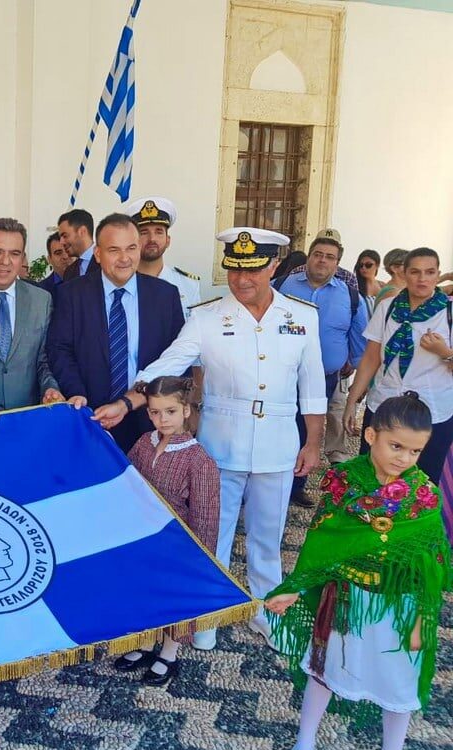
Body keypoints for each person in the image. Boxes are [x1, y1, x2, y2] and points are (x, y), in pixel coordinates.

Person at [104, 227, 327, 650]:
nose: (242, 280)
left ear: (274, 266)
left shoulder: (302, 316)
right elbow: (169, 363)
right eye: (235, 270)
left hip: (278, 445)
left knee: (267, 538)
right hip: (221, 447)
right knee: (213, 535)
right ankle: (207, 614)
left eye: (254, 270)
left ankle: (266, 613)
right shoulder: (206, 317)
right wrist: (128, 402)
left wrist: (313, 441)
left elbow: (312, 386)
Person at [266, 393, 452, 750]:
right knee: (323, 670)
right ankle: (304, 743)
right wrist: (296, 588)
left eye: (415, 452)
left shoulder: (424, 497)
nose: (404, 458)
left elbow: (430, 567)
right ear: (370, 436)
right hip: (346, 599)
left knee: (399, 680)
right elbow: (323, 542)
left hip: (400, 606)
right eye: (396, 446)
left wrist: (421, 621)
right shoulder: (343, 482)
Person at [46, 213, 185, 454]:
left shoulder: (165, 296)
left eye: (131, 248)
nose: (124, 258)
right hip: (91, 419)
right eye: (114, 250)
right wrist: (77, 395)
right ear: (98, 254)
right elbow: (60, 350)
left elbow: (177, 358)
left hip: (151, 421)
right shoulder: (72, 294)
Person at [112, 376, 220, 685]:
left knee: (173, 595)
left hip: (179, 544)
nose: (163, 419)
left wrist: (200, 558)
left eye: (171, 411)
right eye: (156, 412)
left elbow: (206, 515)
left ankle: (169, 653)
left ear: (186, 410)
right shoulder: (143, 444)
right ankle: (145, 643)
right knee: (145, 590)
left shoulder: (199, 460)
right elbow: (127, 480)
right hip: (144, 538)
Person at [343, 247, 453, 484]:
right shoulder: (389, 307)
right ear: (404, 272)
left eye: (429, 272)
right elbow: (372, 358)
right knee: (372, 478)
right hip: (385, 403)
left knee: (420, 485)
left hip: (431, 412)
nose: (422, 279)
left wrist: (444, 352)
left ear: (438, 275)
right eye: (415, 272)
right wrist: (351, 401)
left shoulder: (449, 312)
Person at [278, 227, 368, 507]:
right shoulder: (282, 286)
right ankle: (268, 481)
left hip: (324, 379)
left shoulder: (351, 297)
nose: (322, 261)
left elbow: (360, 336)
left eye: (329, 257)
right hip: (283, 375)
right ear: (309, 257)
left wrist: (351, 364)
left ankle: (296, 485)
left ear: (337, 263)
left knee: (309, 431)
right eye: (318, 254)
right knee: (278, 427)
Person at [0, 218, 63, 412]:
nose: (5, 261)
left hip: (25, 418)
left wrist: (50, 388)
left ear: (22, 258)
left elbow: (44, 359)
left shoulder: (41, 300)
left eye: (14, 254)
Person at [124, 197, 201, 318]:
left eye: (159, 231)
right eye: (144, 232)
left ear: (168, 240)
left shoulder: (188, 285)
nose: (152, 239)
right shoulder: (120, 283)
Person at [58, 209, 97, 281]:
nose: (61, 242)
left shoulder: (106, 263)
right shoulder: (69, 272)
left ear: (82, 232)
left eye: (65, 236)